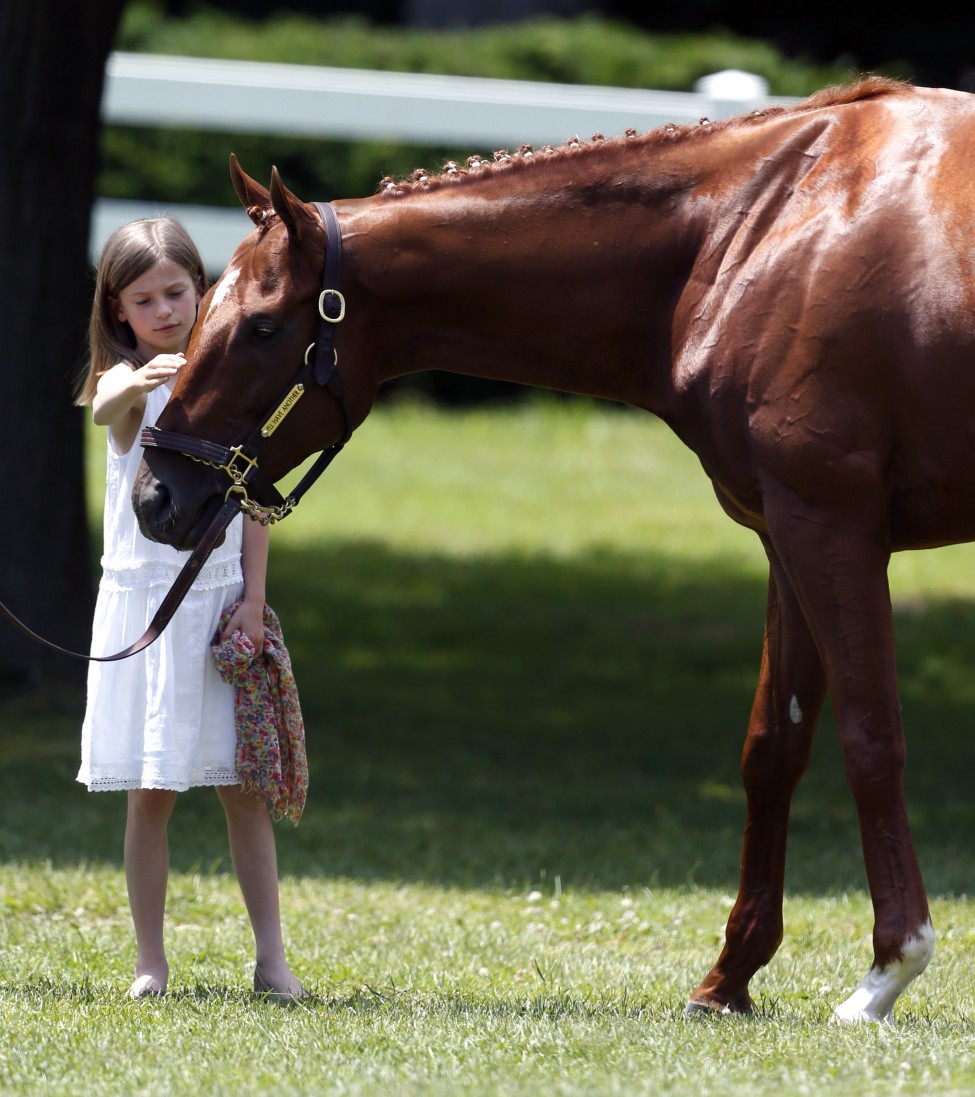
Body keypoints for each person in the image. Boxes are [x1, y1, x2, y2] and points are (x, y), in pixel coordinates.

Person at [75, 218, 306, 1002]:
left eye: (178, 290)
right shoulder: (132, 393)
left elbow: (253, 503)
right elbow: (105, 405)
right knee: (151, 795)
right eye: (145, 300)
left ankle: (272, 959)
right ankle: (150, 960)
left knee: (245, 791)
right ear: (119, 313)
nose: (166, 309)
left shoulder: (224, 384)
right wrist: (130, 382)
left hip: (214, 607)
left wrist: (253, 599)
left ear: (203, 289)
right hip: (146, 608)